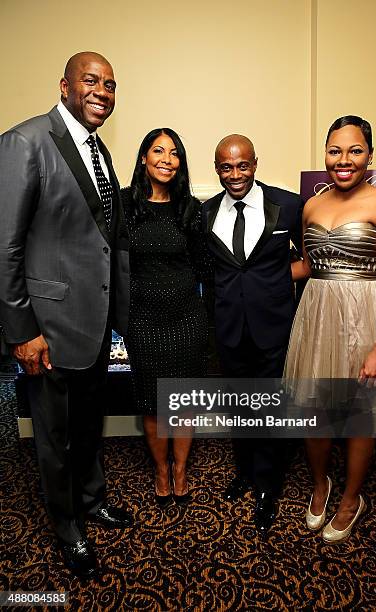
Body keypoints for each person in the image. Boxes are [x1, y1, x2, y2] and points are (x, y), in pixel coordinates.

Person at [0, 52, 132, 578]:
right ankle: (67, 524)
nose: (102, 90)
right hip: (47, 329)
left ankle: (92, 497)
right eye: (91, 80)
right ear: (65, 86)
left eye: (111, 84)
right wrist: (22, 331)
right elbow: (5, 247)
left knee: (87, 424)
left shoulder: (99, 152)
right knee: (54, 436)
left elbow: (99, 241)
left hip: (95, 324)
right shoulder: (26, 141)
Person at [285, 115, 376, 542]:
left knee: (359, 417)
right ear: (325, 154)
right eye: (335, 150)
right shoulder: (312, 205)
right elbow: (307, 265)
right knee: (314, 413)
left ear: (369, 155)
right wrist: (257, 277)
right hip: (318, 316)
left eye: (354, 150)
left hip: (366, 317)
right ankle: (321, 485)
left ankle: (352, 498)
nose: (344, 160)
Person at [202, 134, 303, 534]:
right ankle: (244, 471)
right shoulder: (205, 213)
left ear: (255, 163)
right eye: (226, 167)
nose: (235, 174)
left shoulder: (289, 204)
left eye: (242, 165)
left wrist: (276, 284)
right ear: (217, 169)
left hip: (274, 326)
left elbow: (311, 259)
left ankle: (268, 484)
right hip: (228, 328)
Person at [121, 128, 211, 507]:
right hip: (143, 321)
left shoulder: (190, 208)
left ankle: (180, 468)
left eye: (174, 153)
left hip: (187, 319)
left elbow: (203, 266)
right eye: (158, 150)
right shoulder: (125, 206)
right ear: (144, 158)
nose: (166, 159)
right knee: (154, 402)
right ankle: (161, 469)